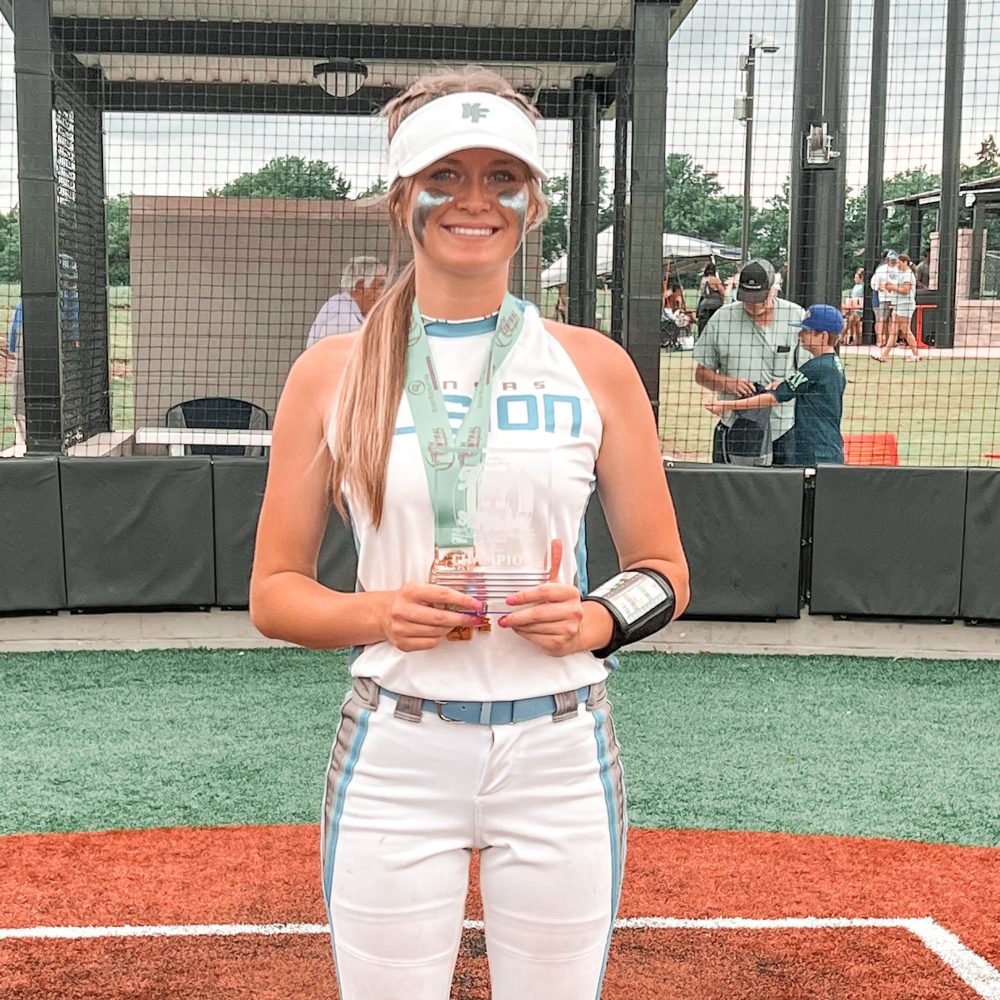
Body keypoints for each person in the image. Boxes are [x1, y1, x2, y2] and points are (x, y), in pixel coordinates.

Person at [249, 67, 690, 1000]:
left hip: (562, 750)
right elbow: (275, 595)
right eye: (445, 176)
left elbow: (662, 573)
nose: (475, 200)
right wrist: (380, 613)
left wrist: (596, 622)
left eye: (503, 177)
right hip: (398, 747)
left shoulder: (594, 365)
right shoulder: (331, 372)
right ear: (400, 196)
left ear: (535, 200)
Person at [693, 257, 807, 465]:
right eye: (748, 298)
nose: (754, 305)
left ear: (773, 289)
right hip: (735, 428)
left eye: (760, 298)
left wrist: (787, 385)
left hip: (783, 429)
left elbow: (808, 375)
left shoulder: (796, 316)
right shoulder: (721, 318)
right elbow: (701, 375)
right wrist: (727, 383)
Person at [704, 304, 847, 466]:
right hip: (828, 447)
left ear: (823, 336)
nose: (800, 334)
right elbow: (810, 387)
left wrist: (726, 405)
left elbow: (773, 399)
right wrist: (784, 384)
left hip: (816, 453)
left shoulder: (815, 367)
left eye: (806, 331)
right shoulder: (832, 363)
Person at [305, 255, 387, 349]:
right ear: (361, 287)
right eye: (381, 285)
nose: (386, 291)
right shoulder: (341, 316)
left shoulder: (342, 306)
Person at [873, 253, 921, 362]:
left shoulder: (908, 274)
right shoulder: (902, 274)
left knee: (905, 330)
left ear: (905, 262)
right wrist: (890, 287)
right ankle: (884, 355)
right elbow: (899, 288)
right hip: (899, 305)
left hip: (905, 305)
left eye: (898, 262)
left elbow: (905, 290)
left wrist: (892, 287)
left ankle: (916, 354)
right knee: (893, 331)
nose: (897, 265)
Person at [869, 250, 898, 350]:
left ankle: (891, 341)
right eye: (891, 260)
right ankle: (880, 339)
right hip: (884, 299)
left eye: (894, 260)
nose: (893, 262)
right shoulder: (881, 270)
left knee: (893, 320)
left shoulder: (899, 269)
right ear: (887, 259)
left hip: (896, 298)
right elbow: (874, 284)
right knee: (882, 319)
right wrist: (880, 287)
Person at [695, 261, 725, 330]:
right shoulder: (715, 279)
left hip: (704, 304)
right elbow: (722, 292)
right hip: (715, 305)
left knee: (703, 326)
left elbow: (702, 293)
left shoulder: (703, 280)